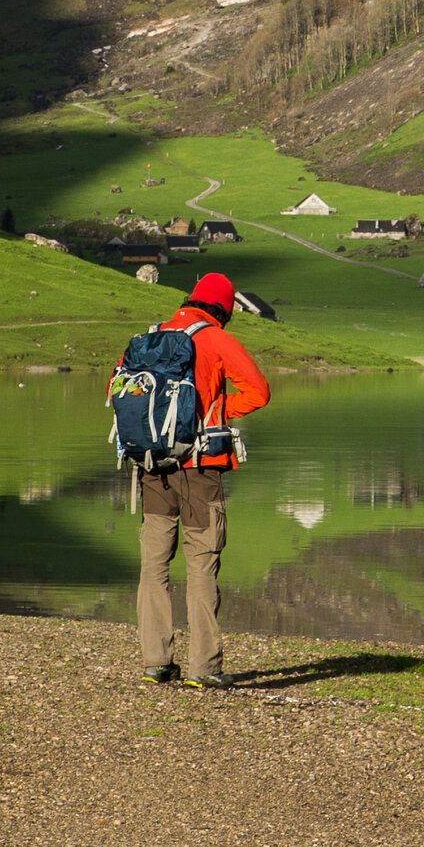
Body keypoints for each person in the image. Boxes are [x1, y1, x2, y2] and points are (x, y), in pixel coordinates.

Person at [137, 270, 270, 688]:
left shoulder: (151, 336)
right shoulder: (215, 338)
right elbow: (259, 392)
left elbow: (119, 387)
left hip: (152, 464)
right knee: (201, 562)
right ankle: (204, 668)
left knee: (154, 564)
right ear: (224, 309)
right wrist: (215, 412)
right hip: (198, 467)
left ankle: (155, 661)